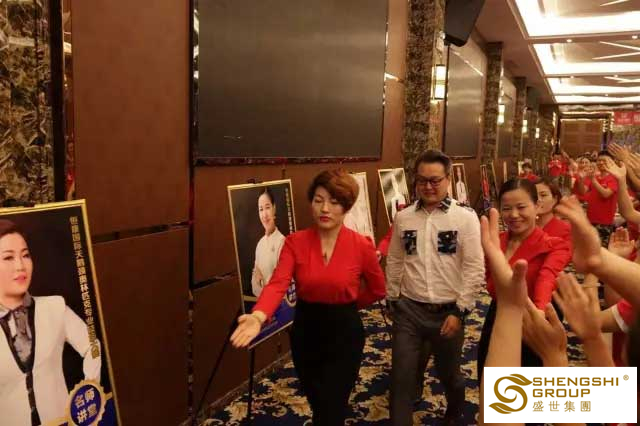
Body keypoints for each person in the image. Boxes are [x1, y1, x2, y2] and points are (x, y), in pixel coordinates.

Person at [230, 169, 386, 425]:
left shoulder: (361, 245)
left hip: (344, 334)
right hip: (306, 332)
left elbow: (378, 289)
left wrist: (348, 306)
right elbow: (277, 283)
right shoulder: (295, 242)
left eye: (334, 202)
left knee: (333, 406)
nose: (325, 208)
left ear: (346, 206)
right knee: (317, 400)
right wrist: (258, 316)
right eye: (318, 200)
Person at [386, 150, 485, 426]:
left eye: (435, 180)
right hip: (409, 310)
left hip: (448, 313)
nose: (428, 186)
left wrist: (460, 311)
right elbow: (395, 259)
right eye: (422, 180)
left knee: (449, 374)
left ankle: (454, 410)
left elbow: (474, 267)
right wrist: (392, 297)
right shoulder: (404, 217)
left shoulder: (465, 218)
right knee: (401, 378)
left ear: (448, 179)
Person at [0, 220, 102, 426]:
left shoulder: (54, 307)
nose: (20, 266)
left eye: (25, 255)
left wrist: (87, 394)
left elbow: (92, 345)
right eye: (8, 257)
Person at [477, 179, 571, 378]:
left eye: (521, 207)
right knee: (491, 377)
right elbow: (491, 283)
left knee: (528, 382)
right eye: (506, 208)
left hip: (536, 313)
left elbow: (546, 278)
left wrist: (538, 314)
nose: (514, 215)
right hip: (499, 312)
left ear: (536, 206)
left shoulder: (554, 245)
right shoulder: (497, 241)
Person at [576, 151, 619, 246]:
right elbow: (583, 191)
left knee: (601, 249)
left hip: (604, 222)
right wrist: (581, 179)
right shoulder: (595, 176)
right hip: (590, 219)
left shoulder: (614, 178)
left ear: (611, 163)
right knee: (589, 247)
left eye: (604, 160)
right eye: (599, 160)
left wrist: (593, 180)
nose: (601, 163)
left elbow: (606, 194)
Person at [251, 188, 286, 297]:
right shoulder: (260, 245)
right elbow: (254, 287)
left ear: (274, 208)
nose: (264, 214)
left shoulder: (282, 242)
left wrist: (262, 282)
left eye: (267, 207)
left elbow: (282, 286)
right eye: (261, 209)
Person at [535, 177, 571, 241]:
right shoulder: (525, 227)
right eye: (534, 196)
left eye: (543, 195)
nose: (538, 200)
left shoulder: (565, 230)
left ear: (555, 199)